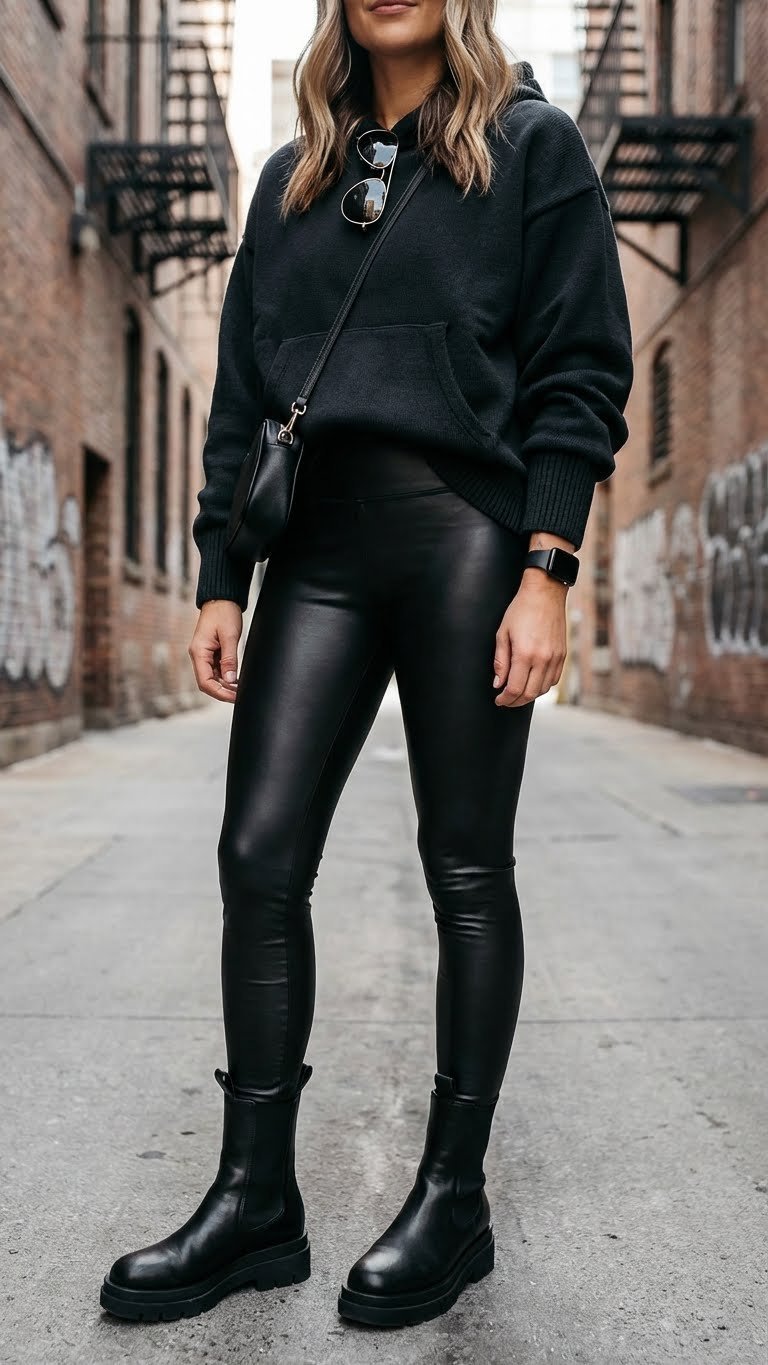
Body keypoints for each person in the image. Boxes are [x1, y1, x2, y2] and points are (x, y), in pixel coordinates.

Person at [100, 0, 633, 1329]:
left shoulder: (532, 150)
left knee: (465, 865)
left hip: (466, 537)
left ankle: (453, 1196)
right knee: (258, 854)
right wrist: (223, 569)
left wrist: (546, 571)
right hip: (318, 550)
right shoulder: (295, 182)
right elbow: (239, 385)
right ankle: (255, 1197)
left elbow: (579, 370)